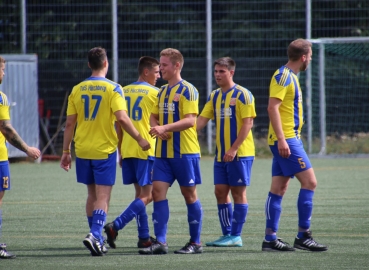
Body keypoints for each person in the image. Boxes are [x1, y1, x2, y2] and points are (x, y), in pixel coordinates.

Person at [60, 47, 150, 256]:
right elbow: (122, 118)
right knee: (103, 195)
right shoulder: (113, 88)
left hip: (82, 148)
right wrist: (139, 138)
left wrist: (66, 150)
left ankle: (98, 238)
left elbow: (70, 122)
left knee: (91, 194)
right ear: (106, 63)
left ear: (89, 64)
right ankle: (94, 234)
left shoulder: (77, 89)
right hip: (104, 149)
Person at [262, 39, 328, 252]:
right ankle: (303, 236)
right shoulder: (283, 76)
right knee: (310, 183)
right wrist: (282, 139)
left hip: (289, 138)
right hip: (287, 139)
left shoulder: (289, 75)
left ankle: (270, 240)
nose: (310, 59)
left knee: (279, 188)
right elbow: (272, 108)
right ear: (303, 57)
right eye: (309, 56)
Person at [139, 48, 203, 255]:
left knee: (189, 194)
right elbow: (152, 116)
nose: (160, 68)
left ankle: (195, 243)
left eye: (164, 65)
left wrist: (165, 128)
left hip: (185, 152)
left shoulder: (188, 90)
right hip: (163, 154)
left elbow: (191, 120)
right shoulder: (163, 91)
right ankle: (161, 242)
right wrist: (158, 126)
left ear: (177, 65)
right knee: (157, 193)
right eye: (160, 64)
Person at [197, 57, 256, 247]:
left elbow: (248, 124)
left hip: (240, 153)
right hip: (221, 154)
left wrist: (234, 148)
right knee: (220, 191)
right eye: (215, 71)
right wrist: (173, 131)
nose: (217, 75)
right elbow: (200, 122)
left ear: (231, 72)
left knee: (238, 193)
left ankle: (236, 235)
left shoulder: (243, 95)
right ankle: (227, 234)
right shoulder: (214, 96)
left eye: (222, 71)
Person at [104, 56, 161, 249]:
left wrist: (120, 150)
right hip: (147, 148)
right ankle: (116, 225)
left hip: (128, 148)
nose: (159, 76)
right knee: (149, 195)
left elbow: (120, 124)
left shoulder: (123, 91)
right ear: (146, 72)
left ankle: (144, 237)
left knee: (140, 195)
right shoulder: (156, 93)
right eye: (156, 72)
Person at [0, 56, 41, 259]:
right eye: (2, 69)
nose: (4, 73)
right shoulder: (1, 97)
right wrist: (27, 149)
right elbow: (6, 128)